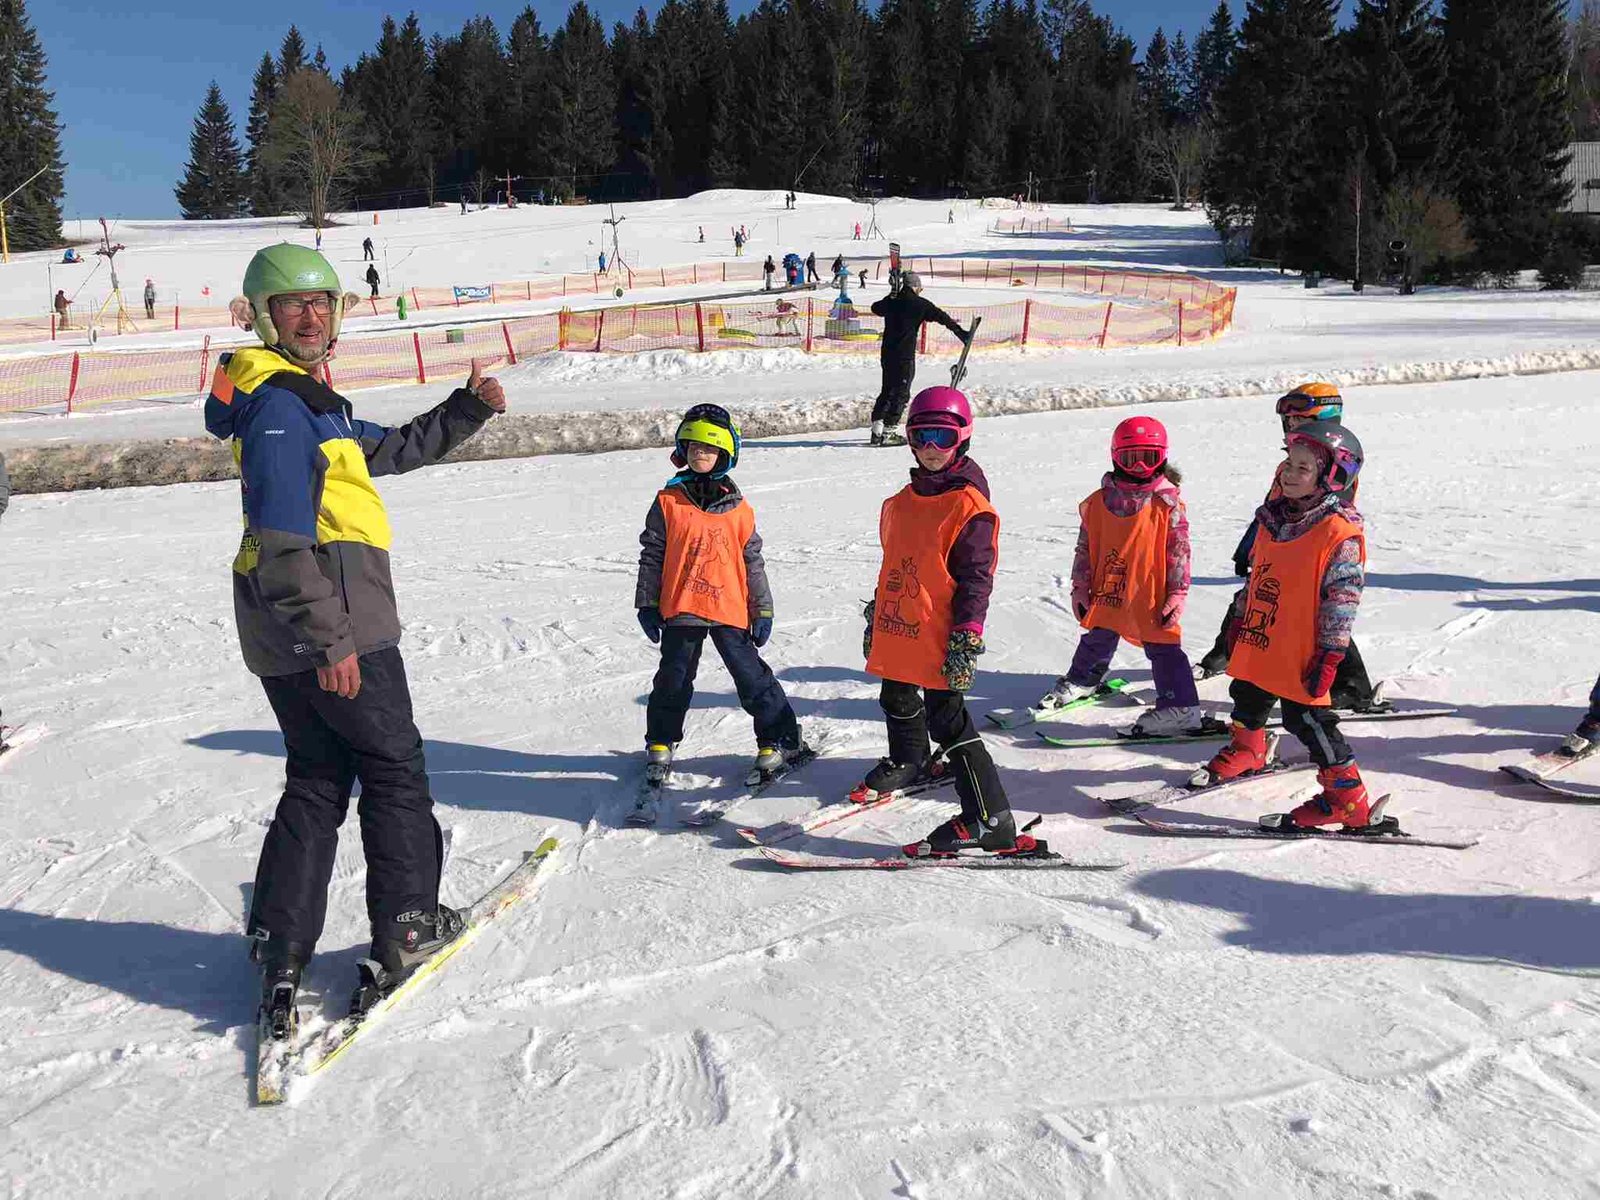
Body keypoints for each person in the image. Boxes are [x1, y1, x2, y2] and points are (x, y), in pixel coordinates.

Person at [204, 243, 507, 1025]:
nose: (311, 317)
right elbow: (281, 536)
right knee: (393, 767)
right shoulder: (278, 407)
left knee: (317, 774)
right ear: (263, 315)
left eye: (323, 303)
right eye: (293, 304)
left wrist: (465, 410)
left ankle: (281, 938)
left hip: (307, 619)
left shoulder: (310, 401)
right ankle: (408, 926)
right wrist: (330, 639)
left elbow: (386, 450)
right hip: (332, 619)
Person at [860, 386, 1027, 858]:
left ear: (963, 439)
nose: (932, 448)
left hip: (940, 633)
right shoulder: (898, 502)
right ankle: (910, 760)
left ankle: (989, 820)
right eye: (921, 436)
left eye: (943, 437)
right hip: (900, 624)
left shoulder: (970, 509)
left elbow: (977, 580)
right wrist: (878, 611)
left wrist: (967, 637)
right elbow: (894, 562)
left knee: (947, 719)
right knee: (894, 693)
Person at [1197, 423, 1374, 829]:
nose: (1289, 474)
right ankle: (1248, 749)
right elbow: (1258, 575)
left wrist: (1330, 653)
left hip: (1302, 646)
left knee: (1307, 719)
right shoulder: (1273, 520)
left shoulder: (1339, 532)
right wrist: (1239, 617)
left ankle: (1347, 799)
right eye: (1288, 464)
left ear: (1332, 476)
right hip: (1263, 635)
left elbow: (1342, 601)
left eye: (1303, 468)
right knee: (1245, 690)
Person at [635, 403, 807, 792]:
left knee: (751, 677)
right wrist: (646, 602)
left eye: (708, 450)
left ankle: (779, 737)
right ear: (682, 450)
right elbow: (652, 554)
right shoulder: (667, 502)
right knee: (673, 679)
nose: (700, 455)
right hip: (681, 608)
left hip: (729, 608)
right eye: (693, 447)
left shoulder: (740, 510)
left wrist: (761, 608)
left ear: (725, 455)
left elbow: (753, 562)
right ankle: (660, 740)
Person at [1195, 382, 1378, 712]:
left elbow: (1325, 520)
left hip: (1306, 561)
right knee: (1253, 602)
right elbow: (1274, 508)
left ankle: (1353, 687)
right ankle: (1227, 653)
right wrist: (1250, 545)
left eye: (1299, 422)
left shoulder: (1334, 473)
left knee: (1319, 619)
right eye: (1288, 423)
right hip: (1277, 550)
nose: (1291, 429)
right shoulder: (1289, 467)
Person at [1038, 416, 1203, 735]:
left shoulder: (1166, 502)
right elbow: (1084, 547)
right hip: (1108, 587)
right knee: (1099, 633)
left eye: (1149, 458)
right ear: (1115, 456)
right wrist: (1080, 587)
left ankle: (1180, 706)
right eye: (1130, 458)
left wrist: (1177, 592)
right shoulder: (1099, 502)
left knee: (1162, 647)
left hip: (1150, 592)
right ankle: (1083, 680)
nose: (1140, 466)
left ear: (1163, 457)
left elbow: (1180, 551)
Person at [867, 272, 969, 446]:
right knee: (901, 393)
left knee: (887, 390)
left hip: (887, 355)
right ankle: (889, 432)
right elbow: (942, 317)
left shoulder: (893, 301)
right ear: (915, 286)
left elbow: (875, 308)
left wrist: (891, 294)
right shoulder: (920, 304)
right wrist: (961, 334)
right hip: (904, 356)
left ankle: (877, 431)